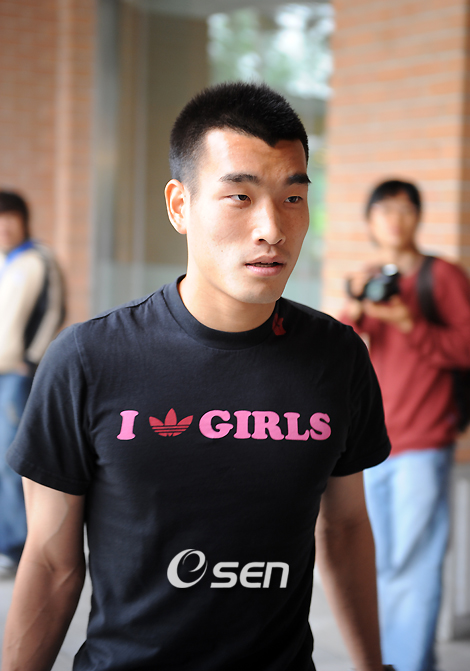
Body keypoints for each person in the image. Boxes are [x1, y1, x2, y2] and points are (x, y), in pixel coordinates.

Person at [3, 83, 391, 671]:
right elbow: (52, 563)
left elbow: (345, 528)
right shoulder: (88, 359)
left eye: (293, 197)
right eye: (240, 197)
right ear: (180, 206)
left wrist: (372, 665)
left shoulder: (337, 357)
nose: (272, 228)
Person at [341, 179, 470, 671]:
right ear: (370, 221)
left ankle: (410, 665)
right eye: (384, 209)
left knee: (414, 567)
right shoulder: (373, 277)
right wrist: (357, 302)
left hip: (424, 440)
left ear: (418, 217)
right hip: (373, 443)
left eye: (404, 209)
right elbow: (340, 346)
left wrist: (408, 323)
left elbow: (465, 347)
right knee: (377, 563)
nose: (394, 219)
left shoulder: (444, 277)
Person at [0, 191, 65, 578]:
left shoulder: (38, 259)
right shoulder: (6, 261)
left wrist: (32, 360)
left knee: (13, 459)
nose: (4, 227)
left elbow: (53, 310)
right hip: (2, 372)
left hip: (18, 375)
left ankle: (17, 546)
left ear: (23, 220)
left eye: (9, 219)